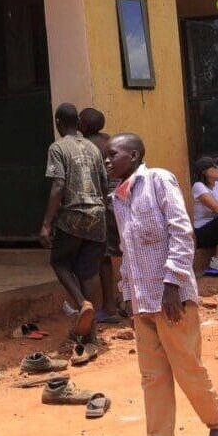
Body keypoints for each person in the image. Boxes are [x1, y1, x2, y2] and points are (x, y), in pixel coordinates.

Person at [107, 133, 218, 436]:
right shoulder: (117, 199)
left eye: (113, 155)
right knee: (152, 376)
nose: (107, 161)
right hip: (142, 300)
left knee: (188, 367)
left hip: (170, 297)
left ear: (133, 155)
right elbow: (127, 250)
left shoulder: (159, 181)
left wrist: (173, 284)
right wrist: (126, 292)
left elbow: (181, 231)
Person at [39, 103, 107, 341]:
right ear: (78, 123)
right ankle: (92, 336)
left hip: (72, 216)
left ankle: (82, 303)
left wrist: (47, 223)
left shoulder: (57, 148)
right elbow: (104, 183)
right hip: (97, 215)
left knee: (59, 262)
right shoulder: (93, 148)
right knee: (89, 272)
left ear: (58, 122)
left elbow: (58, 185)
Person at [81, 106, 124, 324]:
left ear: (85, 125)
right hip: (123, 201)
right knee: (128, 252)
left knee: (104, 258)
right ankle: (127, 300)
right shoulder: (112, 141)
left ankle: (109, 307)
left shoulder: (87, 146)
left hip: (103, 206)